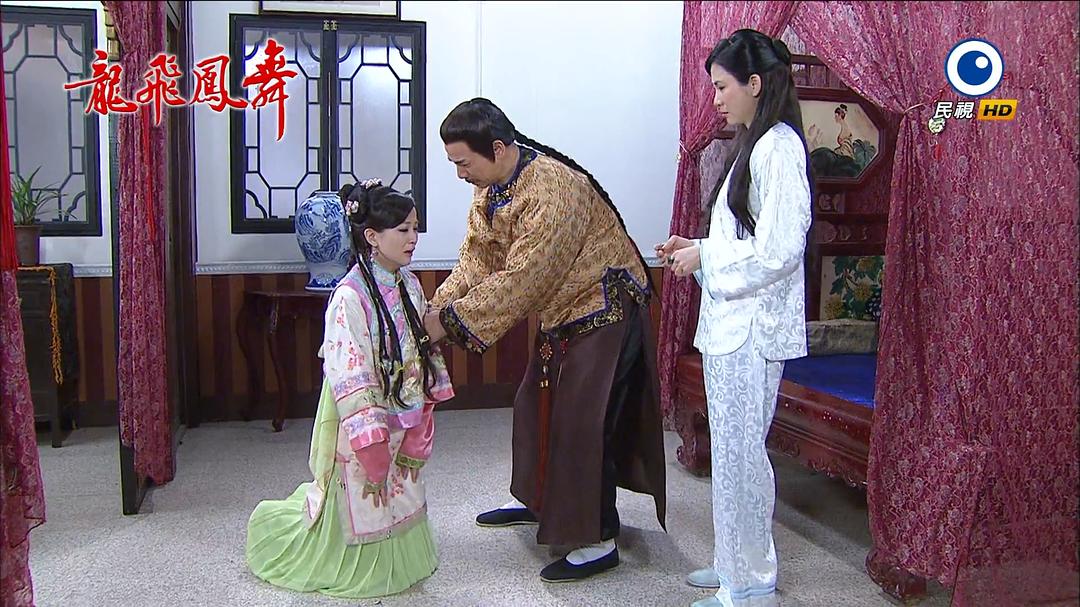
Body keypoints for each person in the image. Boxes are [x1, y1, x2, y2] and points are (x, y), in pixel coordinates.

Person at [422, 98, 667, 582]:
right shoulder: (491, 187)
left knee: (583, 424)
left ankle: (598, 539)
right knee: (533, 408)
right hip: (562, 311)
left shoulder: (554, 189)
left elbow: (524, 278)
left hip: (604, 307)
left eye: (463, 163)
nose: (460, 175)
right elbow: (476, 259)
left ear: (497, 149)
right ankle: (539, 502)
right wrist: (436, 307)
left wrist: (446, 324)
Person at [657, 29, 813, 607]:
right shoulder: (756, 145)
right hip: (732, 326)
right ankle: (733, 564)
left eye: (723, 87)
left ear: (755, 84)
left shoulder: (779, 148)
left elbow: (780, 251)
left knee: (743, 455)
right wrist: (697, 247)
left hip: (753, 329)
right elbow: (746, 240)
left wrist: (707, 258)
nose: (717, 99)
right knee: (730, 452)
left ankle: (749, 583)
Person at [245, 179, 455, 599]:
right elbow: (349, 370)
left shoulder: (410, 284)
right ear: (372, 236)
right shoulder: (348, 296)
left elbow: (419, 346)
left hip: (403, 398)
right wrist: (370, 430)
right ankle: (351, 558)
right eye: (403, 230)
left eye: (415, 228)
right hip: (361, 408)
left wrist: (423, 402)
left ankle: (398, 553)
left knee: (402, 483)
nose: (413, 238)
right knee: (362, 483)